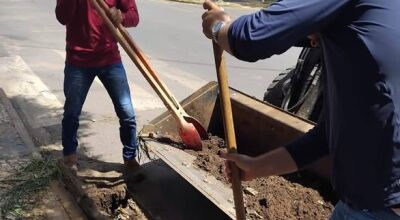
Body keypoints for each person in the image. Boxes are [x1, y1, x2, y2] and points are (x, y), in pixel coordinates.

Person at [202, 0, 400, 219]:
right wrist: (256, 167)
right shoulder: (369, 27)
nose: (312, 43)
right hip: (364, 204)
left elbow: (249, 38)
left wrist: (218, 27)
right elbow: (327, 136)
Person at [55, 0, 140, 173]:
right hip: (77, 61)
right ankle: (69, 157)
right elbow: (62, 17)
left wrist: (121, 16)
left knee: (127, 112)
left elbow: (134, 17)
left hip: (110, 59)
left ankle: (130, 158)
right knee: (71, 112)